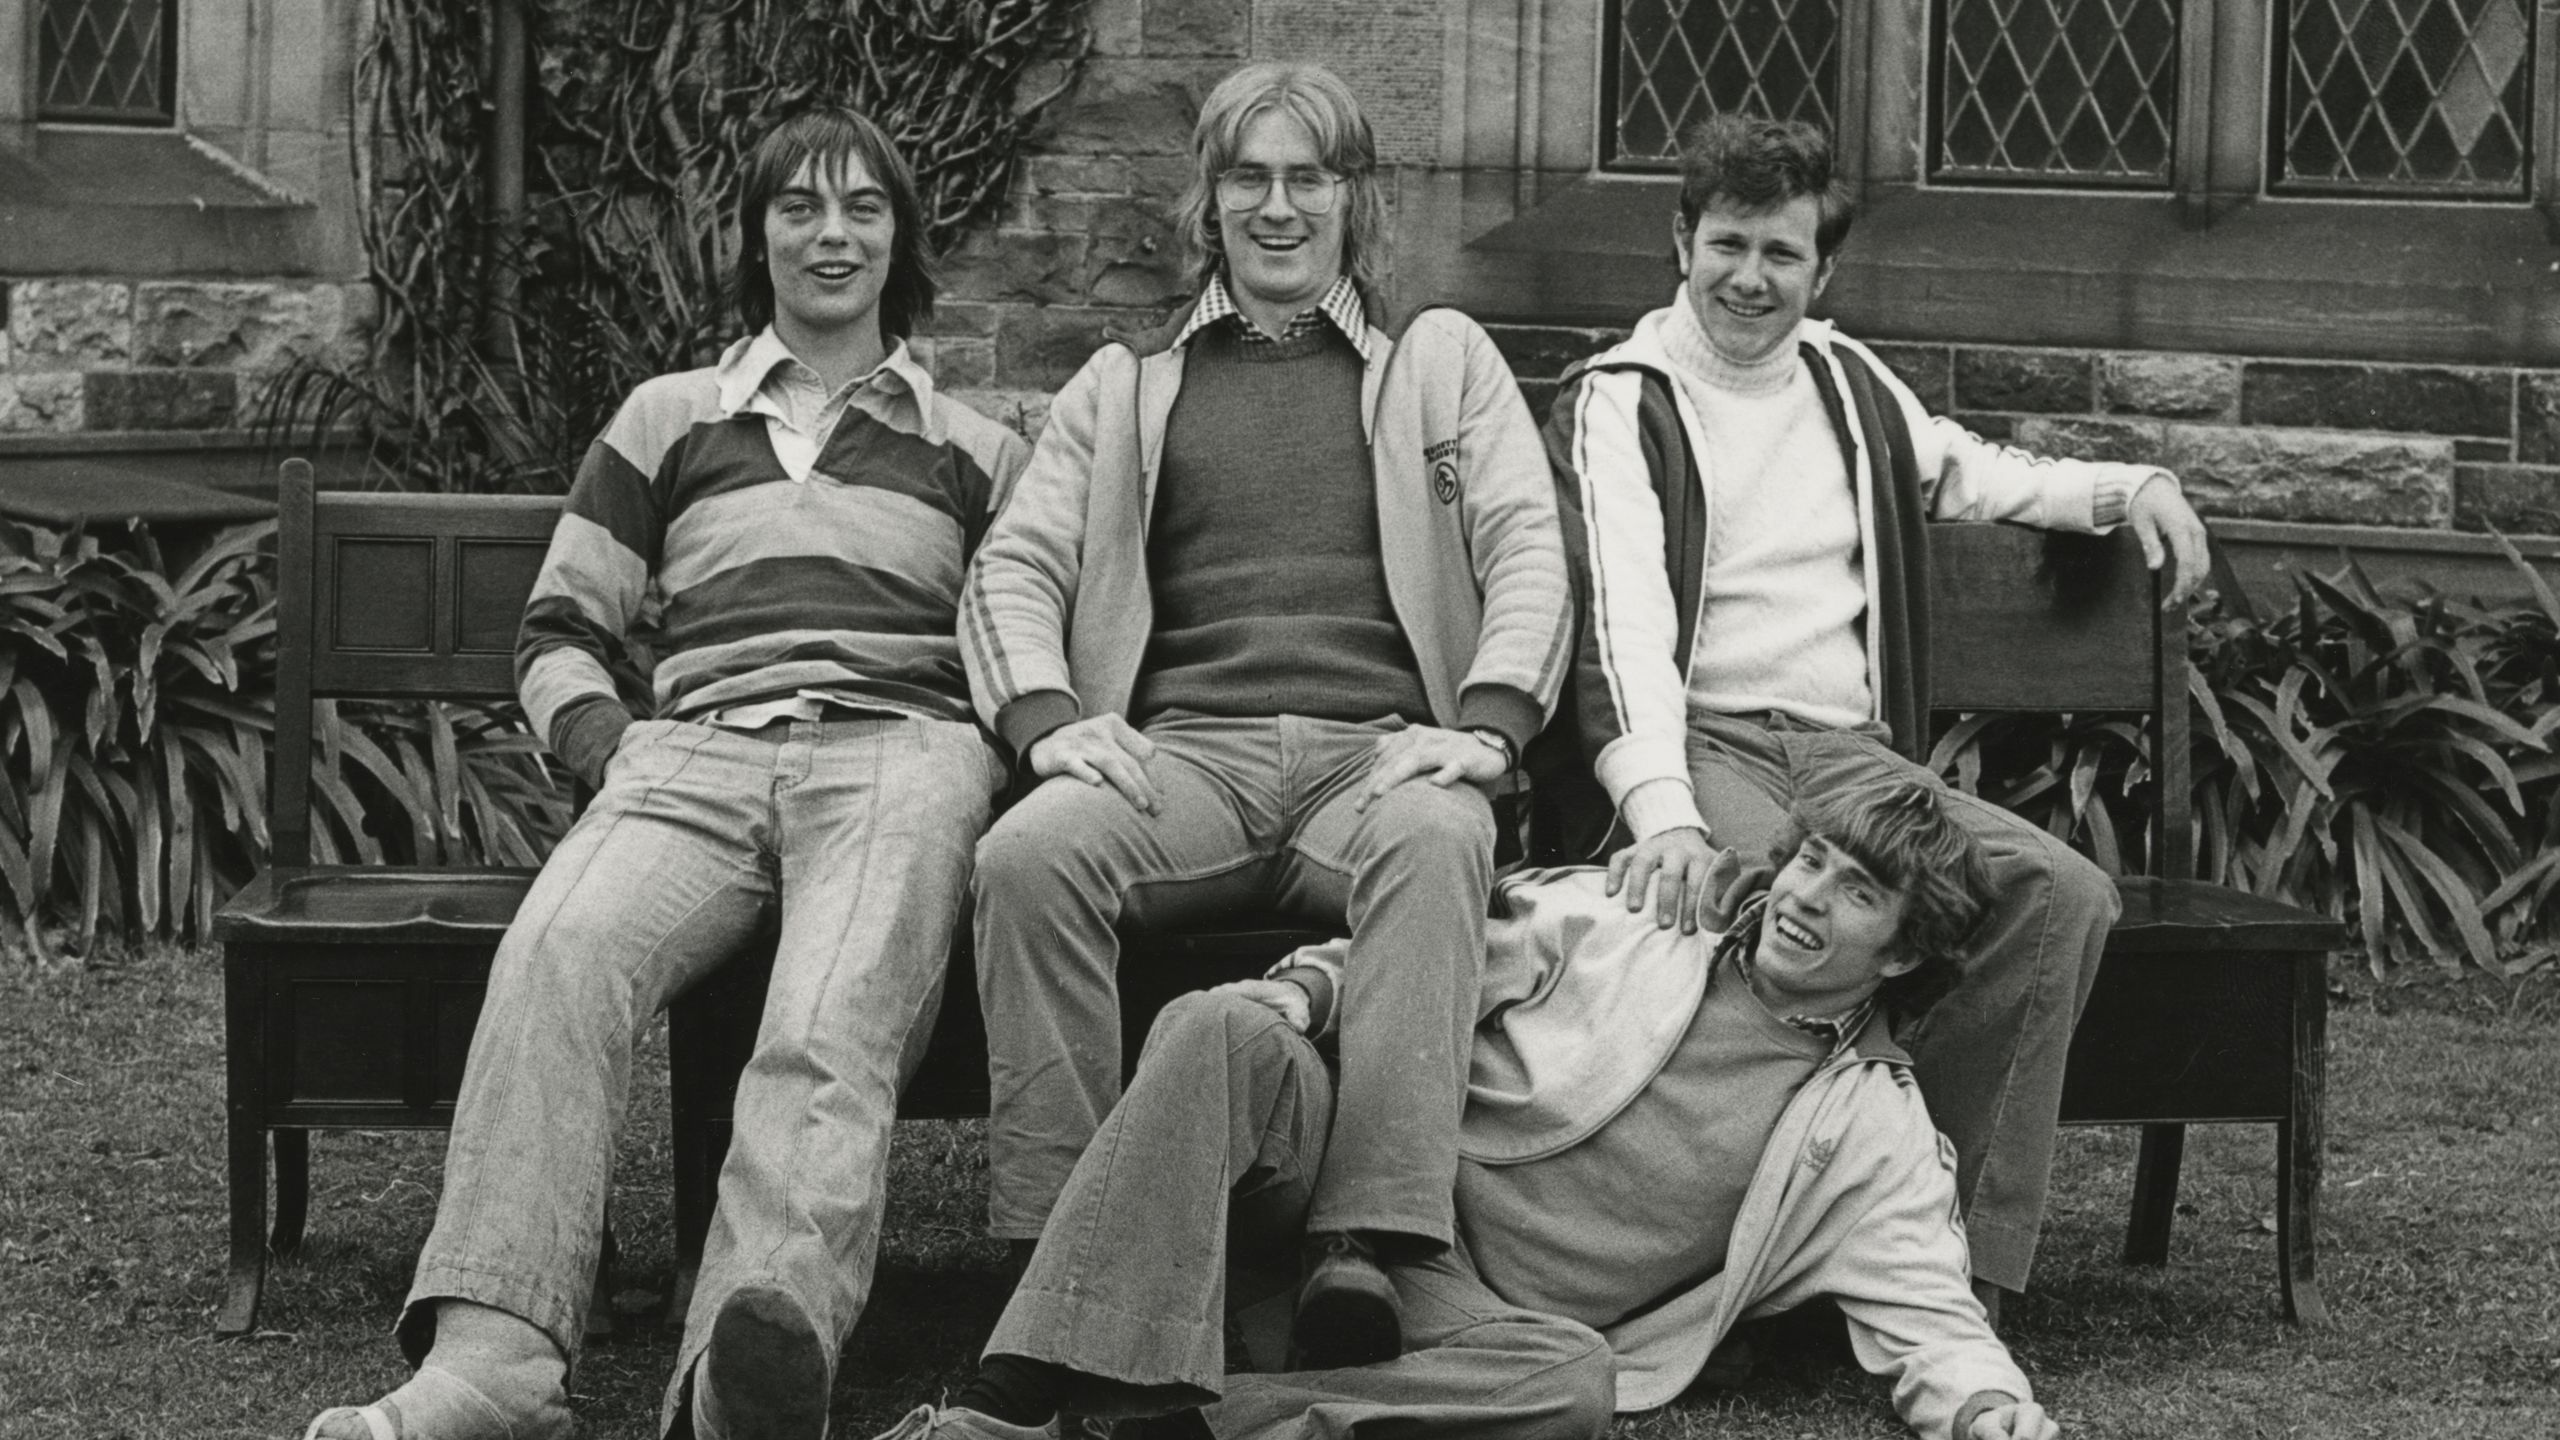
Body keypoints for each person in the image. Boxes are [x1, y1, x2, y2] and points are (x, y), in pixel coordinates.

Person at [302, 108, 1029, 1440]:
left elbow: (1021, 637)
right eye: (800, 208)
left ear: (901, 239)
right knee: (559, 956)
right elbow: (563, 628)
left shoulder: (977, 449)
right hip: (691, 755)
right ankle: (494, 1369)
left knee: (833, 1012)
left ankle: (746, 1367)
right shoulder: (667, 420)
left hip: (896, 754)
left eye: (865, 208)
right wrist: (608, 741)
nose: (833, 234)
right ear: (758, 239)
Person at [1538, 113, 2214, 1303]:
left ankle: (1938, 1255)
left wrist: (2131, 483)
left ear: (1822, 268)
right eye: (1728, 244)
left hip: (1851, 759)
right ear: (1680, 239)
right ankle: (1724, 1256)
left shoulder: (1848, 383)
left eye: (1781, 255)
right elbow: (1621, 624)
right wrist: (1665, 816)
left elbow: (1975, 468)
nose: (1751, 278)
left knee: (2058, 894)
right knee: (1768, 904)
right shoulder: (1619, 398)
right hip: (1712, 746)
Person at [959, 59, 1572, 1365]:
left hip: (1376, 758)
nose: (1279, 206)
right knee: (1028, 855)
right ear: (1211, 200)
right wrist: (1048, 717)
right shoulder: (1125, 387)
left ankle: (1368, 1247)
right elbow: (1015, 564)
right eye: (1251, 177)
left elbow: (1526, 545)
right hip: (1187, 764)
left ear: (1357, 202)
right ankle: (1065, 1244)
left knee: (1444, 835)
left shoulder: (1437, 364)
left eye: (1311, 178)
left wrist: (1488, 725)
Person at [869, 780, 2060, 1440]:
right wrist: (1302, 987)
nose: (1808, 900)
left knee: (1572, 1388)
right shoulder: (1631, 918)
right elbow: (1417, 961)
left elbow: (1928, 1306)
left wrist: (1989, 1406)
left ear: (1902, 958)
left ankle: (1147, 1429)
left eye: (1858, 896)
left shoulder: (1873, 1124)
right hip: (1346, 1202)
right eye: (1810, 863)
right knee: (1218, 1025)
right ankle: (998, 1410)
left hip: (1469, 1320)